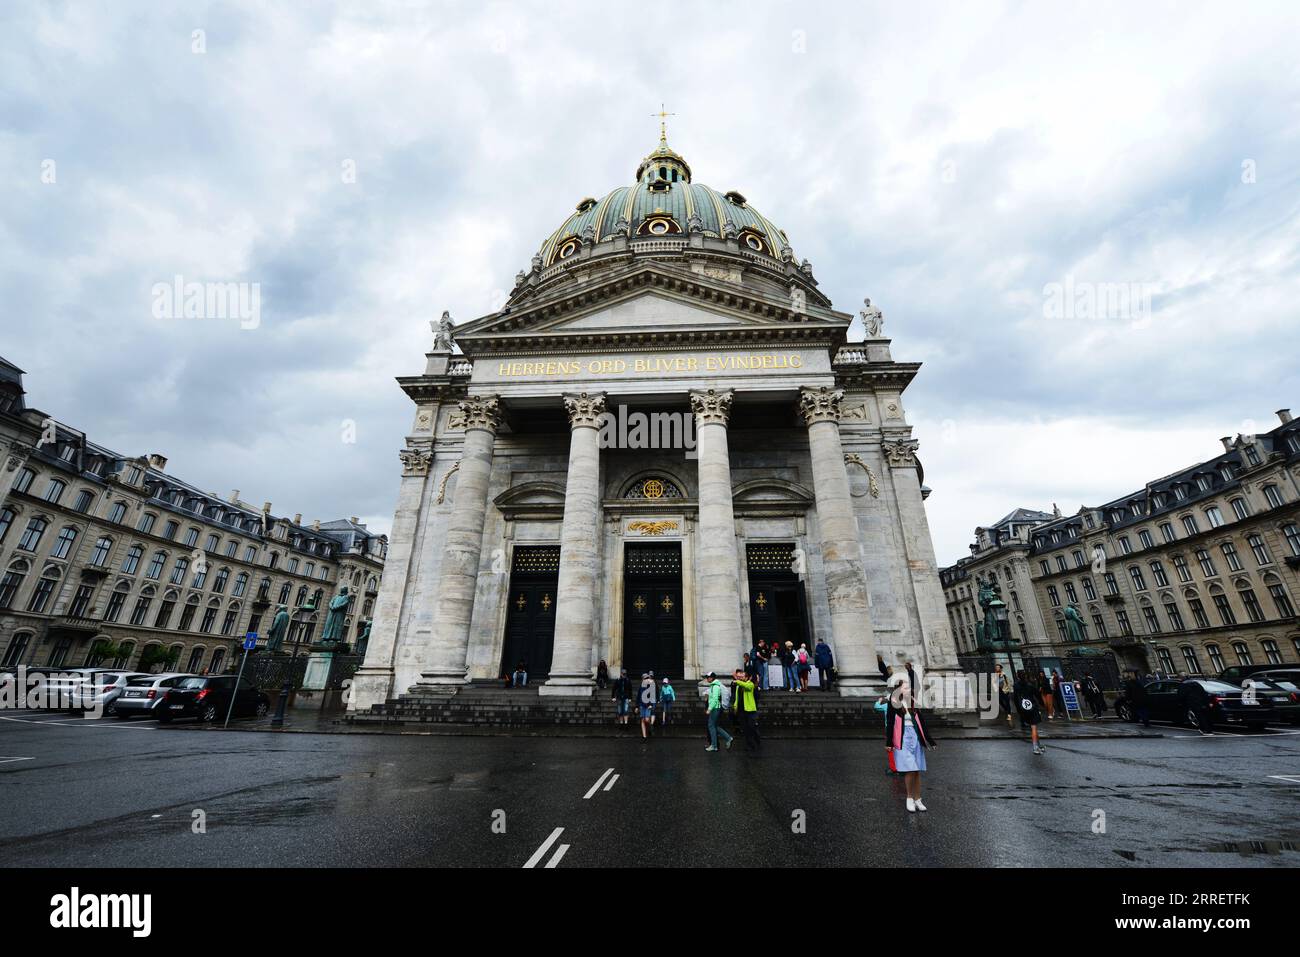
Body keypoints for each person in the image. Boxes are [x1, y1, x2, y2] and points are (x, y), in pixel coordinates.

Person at [884, 671, 936, 811]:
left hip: (915, 736)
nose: (908, 690)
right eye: (905, 687)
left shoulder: (913, 702)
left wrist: (930, 740)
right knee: (909, 769)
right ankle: (909, 798)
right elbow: (889, 722)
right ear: (898, 689)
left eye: (909, 687)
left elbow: (921, 722)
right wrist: (889, 743)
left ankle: (918, 799)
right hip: (902, 738)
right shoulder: (893, 703)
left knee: (917, 769)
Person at [1014, 669, 1045, 754]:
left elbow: (1015, 699)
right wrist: (1042, 704)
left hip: (1023, 708)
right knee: (1034, 727)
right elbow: (1038, 695)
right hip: (1032, 707)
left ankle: (1038, 745)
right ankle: (1035, 747)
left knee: (1033, 728)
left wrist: (1018, 710)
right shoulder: (1030, 685)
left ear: (1018, 676)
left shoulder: (1016, 685)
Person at [731, 668, 761, 750]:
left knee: (752, 728)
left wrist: (737, 681)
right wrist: (735, 706)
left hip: (750, 710)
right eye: (739, 677)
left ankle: (757, 740)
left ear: (747, 678)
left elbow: (747, 686)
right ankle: (750, 745)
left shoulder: (750, 684)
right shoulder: (739, 686)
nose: (741, 678)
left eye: (742, 677)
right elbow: (737, 697)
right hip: (741, 711)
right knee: (745, 729)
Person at [704, 672, 733, 752]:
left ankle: (714, 745)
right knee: (715, 726)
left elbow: (715, 699)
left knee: (711, 725)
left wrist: (709, 709)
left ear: (712, 678)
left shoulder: (715, 686)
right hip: (716, 708)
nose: (707, 678)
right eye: (707, 677)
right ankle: (728, 738)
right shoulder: (714, 685)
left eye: (709, 677)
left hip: (715, 708)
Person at [994, 664, 1013, 728]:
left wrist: (1009, 690)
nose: (997, 668)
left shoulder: (1004, 675)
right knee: (1000, 701)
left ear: (1000, 668)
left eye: (998, 667)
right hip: (998, 691)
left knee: (1007, 703)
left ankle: (1009, 715)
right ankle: (1006, 710)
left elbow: (1008, 682)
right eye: (996, 667)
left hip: (1005, 690)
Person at [638, 672, 656, 739]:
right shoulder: (641, 686)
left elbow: (652, 696)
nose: (647, 679)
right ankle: (644, 736)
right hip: (642, 705)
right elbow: (638, 696)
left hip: (648, 705)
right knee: (642, 720)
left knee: (646, 719)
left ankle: (650, 727)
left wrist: (651, 704)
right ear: (642, 679)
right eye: (645, 678)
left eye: (647, 678)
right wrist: (637, 706)